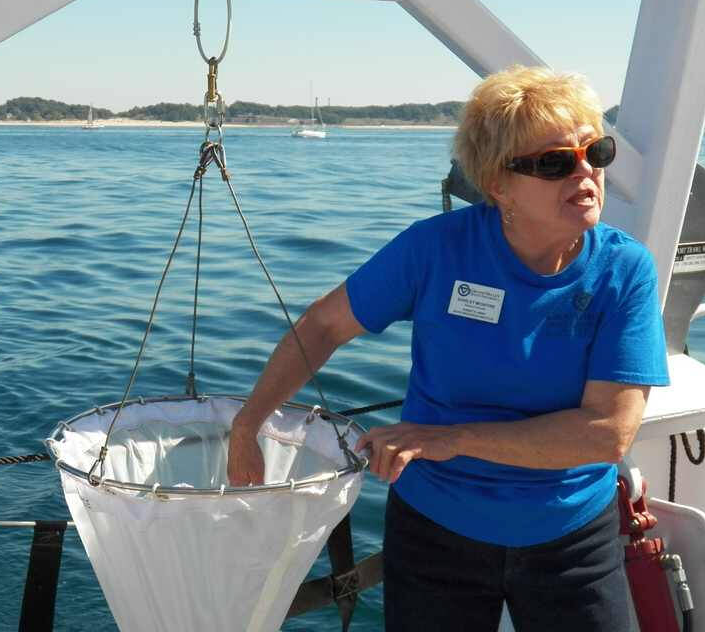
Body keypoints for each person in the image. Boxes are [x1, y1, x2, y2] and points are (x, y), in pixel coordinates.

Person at [228, 65, 669, 631]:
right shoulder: (435, 250)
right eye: (554, 163)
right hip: (437, 534)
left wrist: (447, 440)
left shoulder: (623, 269)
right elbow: (322, 327)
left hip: (572, 541)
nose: (584, 173)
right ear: (498, 186)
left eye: (594, 152)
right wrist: (248, 425)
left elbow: (609, 433)